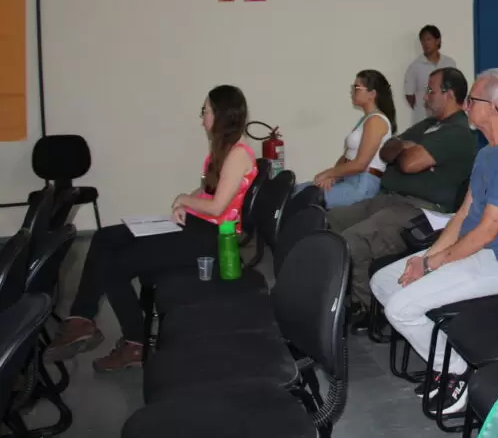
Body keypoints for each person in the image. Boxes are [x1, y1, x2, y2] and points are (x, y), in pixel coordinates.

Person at [44, 85, 259, 371]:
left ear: (221, 114)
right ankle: (81, 320)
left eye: (205, 111)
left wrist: (183, 199)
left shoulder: (238, 154)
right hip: (196, 226)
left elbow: (218, 208)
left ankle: (136, 344)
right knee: (105, 237)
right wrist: (188, 202)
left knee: (116, 267)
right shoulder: (222, 151)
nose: (202, 118)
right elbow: (208, 191)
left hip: (210, 239)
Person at [371, 69, 498, 415]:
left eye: (472, 100)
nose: (465, 107)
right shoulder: (488, 152)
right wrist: (426, 258)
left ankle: (456, 372)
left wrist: (431, 264)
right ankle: (444, 360)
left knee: (400, 308)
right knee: (384, 282)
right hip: (472, 251)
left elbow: (486, 233)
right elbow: (463, 216)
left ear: (494, 107)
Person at [331, 67, 476, 326]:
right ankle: (338, 294)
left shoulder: (458, 132)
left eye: (431, 91)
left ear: (449, 94)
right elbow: (386, 150)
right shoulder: (429, 125)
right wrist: (405, 147)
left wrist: (406, 150)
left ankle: (368, 310)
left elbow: (409, 164)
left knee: (353, 240)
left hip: (420, 210)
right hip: (389, 198)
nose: (425, 96)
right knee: (330, 221)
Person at [295, 69, 396, 208]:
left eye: (357, 88)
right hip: (348, 178)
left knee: (306, 198)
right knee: (295, 191)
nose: (352, 91)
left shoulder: (376, 121)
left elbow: (360, 164)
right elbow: (347, 156)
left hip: (362, 184)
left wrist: (327, 173)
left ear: (372, 94)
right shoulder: (366, 119)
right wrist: (333, 176)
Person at [405, 25, 457, 124]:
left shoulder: (449, 63)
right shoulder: (415, 66)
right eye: (423, 40)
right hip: (423, 118)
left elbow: (454, 89)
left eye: (428, 39)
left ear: (437, 41)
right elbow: (409, 95)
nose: (425, 43)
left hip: (447, 118)